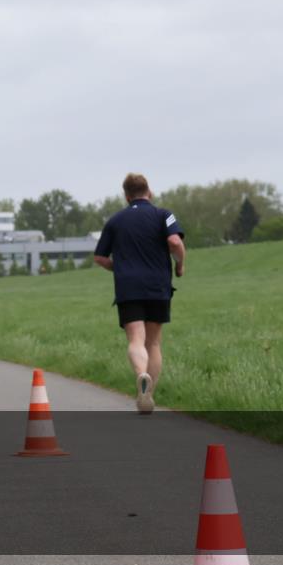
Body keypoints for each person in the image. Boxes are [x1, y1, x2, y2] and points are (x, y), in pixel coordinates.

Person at [94, 173, 186, 415]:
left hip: (128, 287)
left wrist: (119, 267)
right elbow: (175, 242)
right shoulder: (164, 214)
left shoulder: (115, 221)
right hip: (158, 286)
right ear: (150, 192)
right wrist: (180, 265)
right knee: (153, 342)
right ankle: (148, 394)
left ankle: (140, 375)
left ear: (126, 196)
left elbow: (100, 257)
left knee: (136, 340)